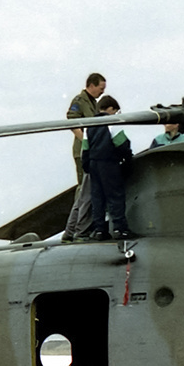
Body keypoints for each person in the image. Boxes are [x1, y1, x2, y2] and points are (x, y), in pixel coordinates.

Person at [63, 95, 132, 242]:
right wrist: (127, 159)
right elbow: (122, 144)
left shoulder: (90, 126)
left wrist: (88, 167)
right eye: (116, 111)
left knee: (97, 198)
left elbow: (85, 150)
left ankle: (100, 230)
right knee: (114, 196)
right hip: (109, 164)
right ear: (110, 109)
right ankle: (120, 229)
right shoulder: (112, 123)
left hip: (94, 165)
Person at [67, 73, 106, 185]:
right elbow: (72, 121)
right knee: (84, 185)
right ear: (92, 86)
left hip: (93, 150)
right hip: (83, 150)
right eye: (101, 88)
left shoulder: (93, 103)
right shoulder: (79, 101)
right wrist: (86, 142)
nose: (102, 92)